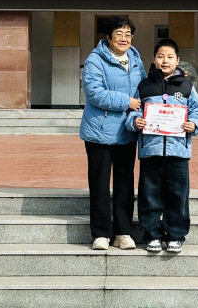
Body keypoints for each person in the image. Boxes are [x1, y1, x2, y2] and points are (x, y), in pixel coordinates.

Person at [126, 38, 198, 253]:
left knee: (177, 195)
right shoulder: (144, 86)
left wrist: (194, 124)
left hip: (178, 152)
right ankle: (152, 234)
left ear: (177, 60)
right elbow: (133, 110)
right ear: (154, 59)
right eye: (160, 56)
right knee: (150, 195)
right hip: (150, 151)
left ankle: (175, 235)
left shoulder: (186, 86)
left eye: (170, 57)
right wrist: (135, 121)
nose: (165, 60)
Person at [79, 16, 146, 251]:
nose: (124, 38)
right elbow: (94, 93)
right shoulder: (95, 59)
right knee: (99, 184)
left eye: (128, 34)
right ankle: (100, 233)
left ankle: (122, 232)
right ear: (108, 37)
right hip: (99, 132)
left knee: (125, 184)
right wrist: (127, 101)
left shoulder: (136, 60)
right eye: (119, 34)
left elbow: (143, 91)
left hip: (127, 130)